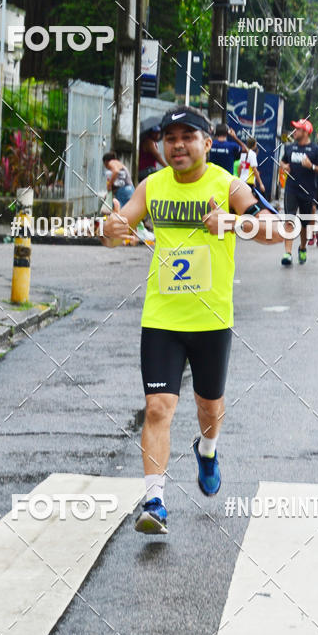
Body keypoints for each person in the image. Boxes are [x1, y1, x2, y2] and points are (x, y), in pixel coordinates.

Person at [101, 106, 284, 535]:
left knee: (208, 406)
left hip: (211, 320)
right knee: (158, 407)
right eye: (170, 138)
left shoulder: (228, 184)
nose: (177, 145)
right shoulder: (152, 185)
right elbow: (116, 232)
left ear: (206, 142)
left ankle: (207, 449)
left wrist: (235, 223)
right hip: (162, 316)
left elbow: (277, 231)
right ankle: (155, 501)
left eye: (188, 136)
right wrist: (110, 229)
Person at [279, 119, 318, 266]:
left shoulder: (316, 150)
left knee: (304, 224)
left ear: (305, 132)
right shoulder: (290, 148)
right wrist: (284, 166)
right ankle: (287, 253)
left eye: (298, 129)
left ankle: (303, 247)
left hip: (307, 191)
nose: (295, 132)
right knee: (290, 220)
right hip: (291, 189)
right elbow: (282, 162)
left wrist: (311, 166)